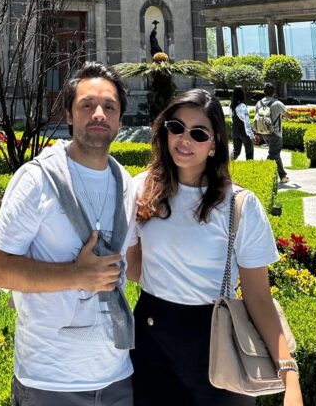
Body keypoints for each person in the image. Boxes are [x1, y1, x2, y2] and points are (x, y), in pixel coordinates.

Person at [127, 91, 302, 406]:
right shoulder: (142, 189)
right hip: (151, 342)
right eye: (176, 127)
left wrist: (289, 375)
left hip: (218, 345)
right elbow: (135, 267)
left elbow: (258, 298)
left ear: (214, 145)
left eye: (198, 133)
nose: (184, 139)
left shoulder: (238, 205)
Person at [0, 62, 136, 406]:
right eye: (87, 105)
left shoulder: (127, 185)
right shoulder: (35, 179)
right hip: (49, 382)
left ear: (119, 119)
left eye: (109, 107)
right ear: (69, 115)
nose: (98, 114)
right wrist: (77, 275)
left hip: (117, 377)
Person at [253, 83, 291, 184]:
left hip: (264, 133)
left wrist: (257, 134)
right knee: (273, 154)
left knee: (276, 154)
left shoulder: (258, 103)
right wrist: (293, 116)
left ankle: (283, 176)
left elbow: (257, 119)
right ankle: (263, 173)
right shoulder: (277, 103)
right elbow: (287, 115)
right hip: (276, 134)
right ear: (274, 92)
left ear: (264, 92)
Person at [228, 86, 254, 160]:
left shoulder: (231, 105)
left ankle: (226, 165)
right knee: (249, 152)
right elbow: (247, 123)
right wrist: (251, 136)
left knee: (236, 152)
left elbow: (232, 119)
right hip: (244, 132)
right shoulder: (242, 106)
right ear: (242, 94)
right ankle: (249, 170)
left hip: (235, 130)